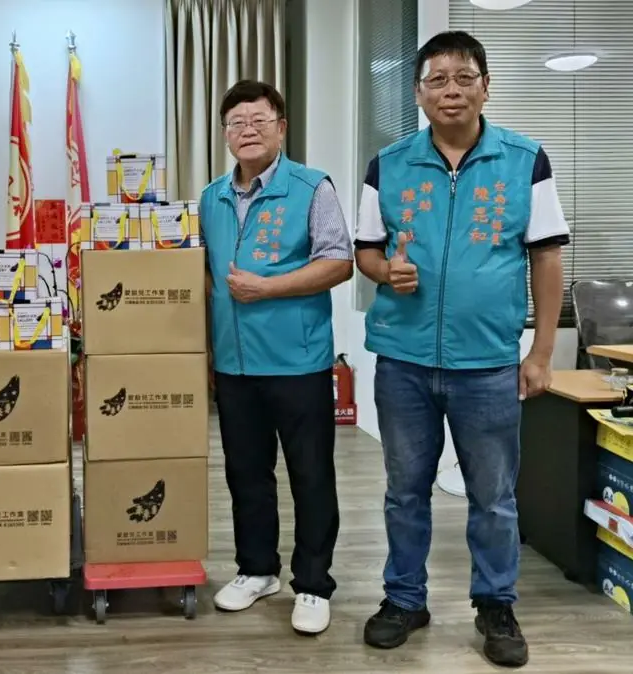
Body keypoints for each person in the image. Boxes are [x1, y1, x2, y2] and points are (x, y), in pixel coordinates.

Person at [354, 31, 568, 668]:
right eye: (437, 80)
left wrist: (541, 352)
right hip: (404, 360)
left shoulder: (525, 161)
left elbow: (547, 258)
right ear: (418, 93)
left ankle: (496, 604)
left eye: (464, 77)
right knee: (404, 490)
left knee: (494, 497)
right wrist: (384, 271)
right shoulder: (387, 165)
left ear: (486, 86)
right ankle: (404, 598)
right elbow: (366, 250)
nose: (451, 90)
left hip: (489, 363)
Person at [201, 79, 354, 635]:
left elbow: (339, 262)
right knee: (246, 473)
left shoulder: (312, 188)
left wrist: (267, 288)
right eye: (236, 122)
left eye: (259, 120)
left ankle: (312, 582)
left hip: (298, 362)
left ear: (281, 128)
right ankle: (256, 569)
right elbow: (203, 277)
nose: (247, 130)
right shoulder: (210, 197)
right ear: (225, 134)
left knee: (310, 474)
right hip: (235, 365)